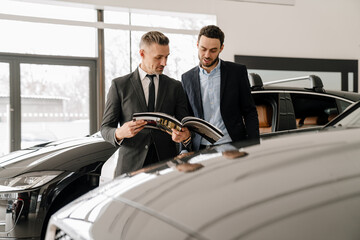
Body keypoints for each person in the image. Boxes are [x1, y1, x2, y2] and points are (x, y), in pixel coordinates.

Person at [101, 31, 191, 176]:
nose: (164, 63)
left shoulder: (175, 86)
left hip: (166, 167)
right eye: (158, 57)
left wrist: (184, 135)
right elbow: (105, 128)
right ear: (142, 53)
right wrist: (119, 133)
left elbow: (185, 125)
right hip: (130, 168)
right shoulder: (120, 85)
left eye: (166, 57)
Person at [181, 25, 259, 151]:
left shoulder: (237, 72)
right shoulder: (187, 78)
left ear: (221, 48)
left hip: (232, 146)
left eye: (213, 50)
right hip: (199, 149)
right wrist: (183, 149)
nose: (207, 55)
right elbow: (185, 118)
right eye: (203, 49)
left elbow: (249, 111)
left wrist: (254, 145)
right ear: (197, 45)